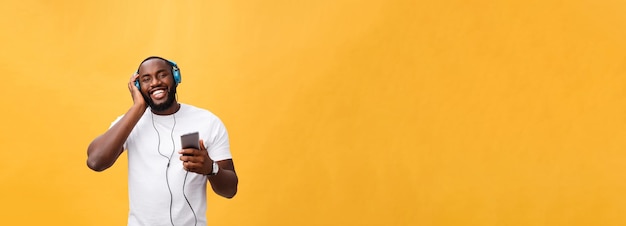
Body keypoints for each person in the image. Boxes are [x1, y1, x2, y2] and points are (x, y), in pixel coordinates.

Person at [87, 56, 238, 226]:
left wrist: (211, 168)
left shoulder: (208, 121)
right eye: (146, 79)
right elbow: (95, 161)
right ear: (138, 86)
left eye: (162, 75)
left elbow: (230, 190)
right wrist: (137, 107)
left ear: (175, 78)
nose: (155, 83)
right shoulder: (129, 122)